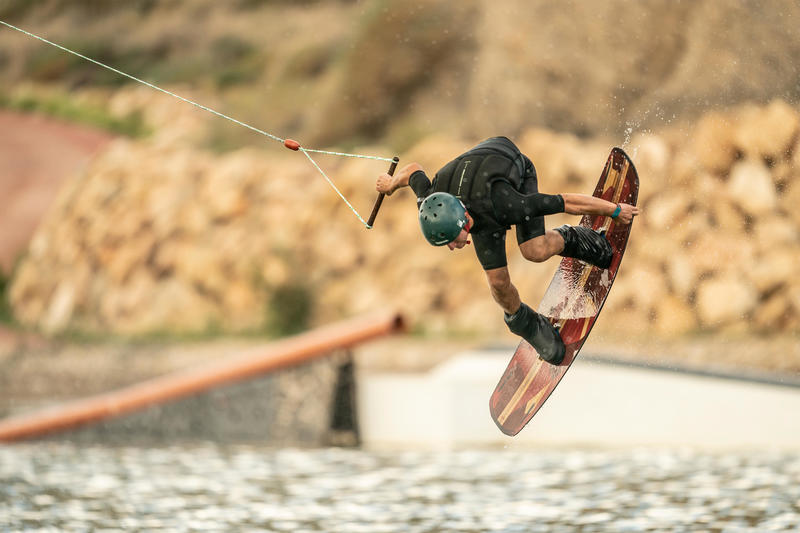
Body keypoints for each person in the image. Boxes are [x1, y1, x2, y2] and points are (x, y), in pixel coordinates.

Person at [375, 136, 638, 365]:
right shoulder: (431, 199)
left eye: (454, 240)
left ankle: (580, 239)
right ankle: (532, 327)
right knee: (498, 283)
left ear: (464, 219)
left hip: (512, 169)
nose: (454, 248)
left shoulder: (507, 204)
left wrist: (614, 210)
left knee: (534, 250)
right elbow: (412, 171)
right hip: (475, 180)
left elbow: (566, 201)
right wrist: (391, 185)